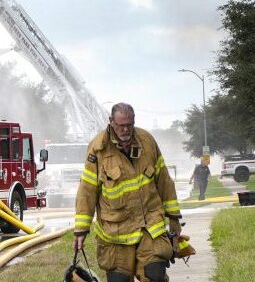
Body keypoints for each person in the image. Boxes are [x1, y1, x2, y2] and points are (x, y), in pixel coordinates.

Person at [73, 103, 183, 282]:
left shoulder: (147, 141)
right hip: (116, 233)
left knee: (155, 276)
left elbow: (164, 181)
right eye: (121, 125)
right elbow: (87, 191)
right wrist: (81, 230)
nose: (126, 129)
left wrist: (174, 218)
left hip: (150, 227)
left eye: (129, 124)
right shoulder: (98, 149)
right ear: (111, 122)